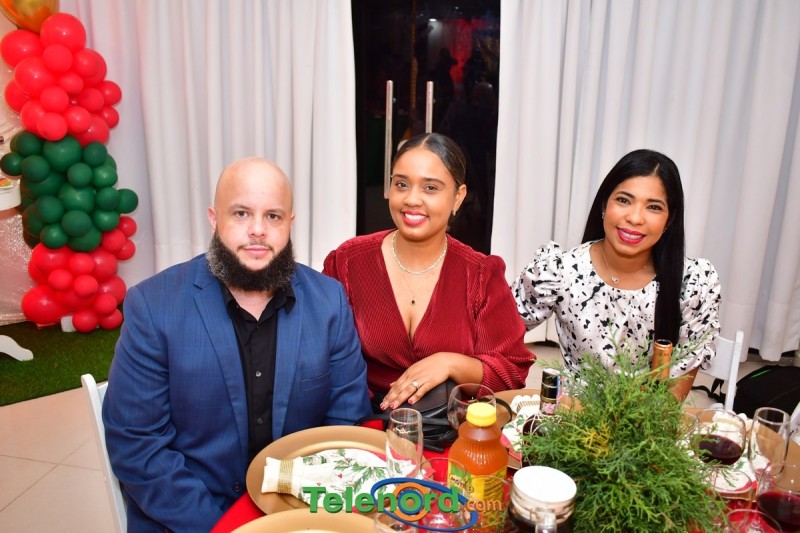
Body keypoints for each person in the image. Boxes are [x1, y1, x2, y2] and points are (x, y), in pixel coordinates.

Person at [102, 157, 371, 531]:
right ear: (214, 219)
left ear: (290, 223)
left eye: (273, 216)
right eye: (241, 213)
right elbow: (137, 445)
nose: (258, 230)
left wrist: (302, 518)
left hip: (300, 513)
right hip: (193, 518)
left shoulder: (329, 301)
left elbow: (347, 424)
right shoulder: (154, 306)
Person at [323, 133, 533, 411]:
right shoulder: (348, 262)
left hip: (450, 424)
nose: (412, 199)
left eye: (430, 188)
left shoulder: (481, 275)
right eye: (401, 184)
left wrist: (451, 363)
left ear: (458, 197)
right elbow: (321, 354)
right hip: (363, 419)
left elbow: (510, 373)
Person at [512, 149, 721, 401]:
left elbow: (669, 402)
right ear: (604, 204)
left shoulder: (693, 284)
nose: (634, 218)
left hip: (647, 423)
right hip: (570, 418)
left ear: (669, 220)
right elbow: (496, 333)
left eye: (654, 207)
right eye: (624, 200)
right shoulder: (559, 271)